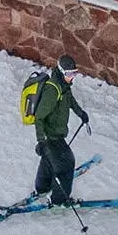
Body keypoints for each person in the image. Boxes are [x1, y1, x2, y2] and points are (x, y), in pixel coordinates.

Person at [32, 54, 91, 205]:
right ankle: (59, 199)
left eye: (74, 73)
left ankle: (42, 188)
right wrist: (41, 142)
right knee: (66, 165)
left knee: (48, 160)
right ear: (61, 71)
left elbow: (70, 100)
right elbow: (39, 117)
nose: (72, 77)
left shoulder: (64, 86)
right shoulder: (53, 90)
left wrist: (81, 114)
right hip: (51, 137)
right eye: (69, 74)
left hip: (57, 134)